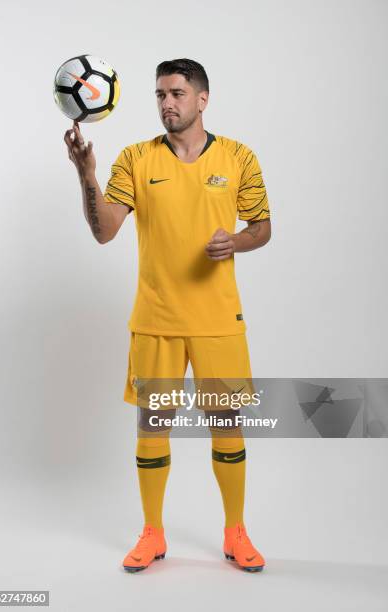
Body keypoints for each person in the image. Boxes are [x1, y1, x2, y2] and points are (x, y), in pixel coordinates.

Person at [64, 58, 271, 573]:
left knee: (226, 424)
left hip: (219, 320)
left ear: (202, 99)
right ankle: (152, 533)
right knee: (153, 425)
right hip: (156, 320)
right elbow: (104, 230)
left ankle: (236, 533)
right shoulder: (135, 159)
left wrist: (237, 241)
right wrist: (87, 176)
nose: (166, 104)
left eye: (176, 93)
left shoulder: (239, 157)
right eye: (159, 95)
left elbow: (263, 226)